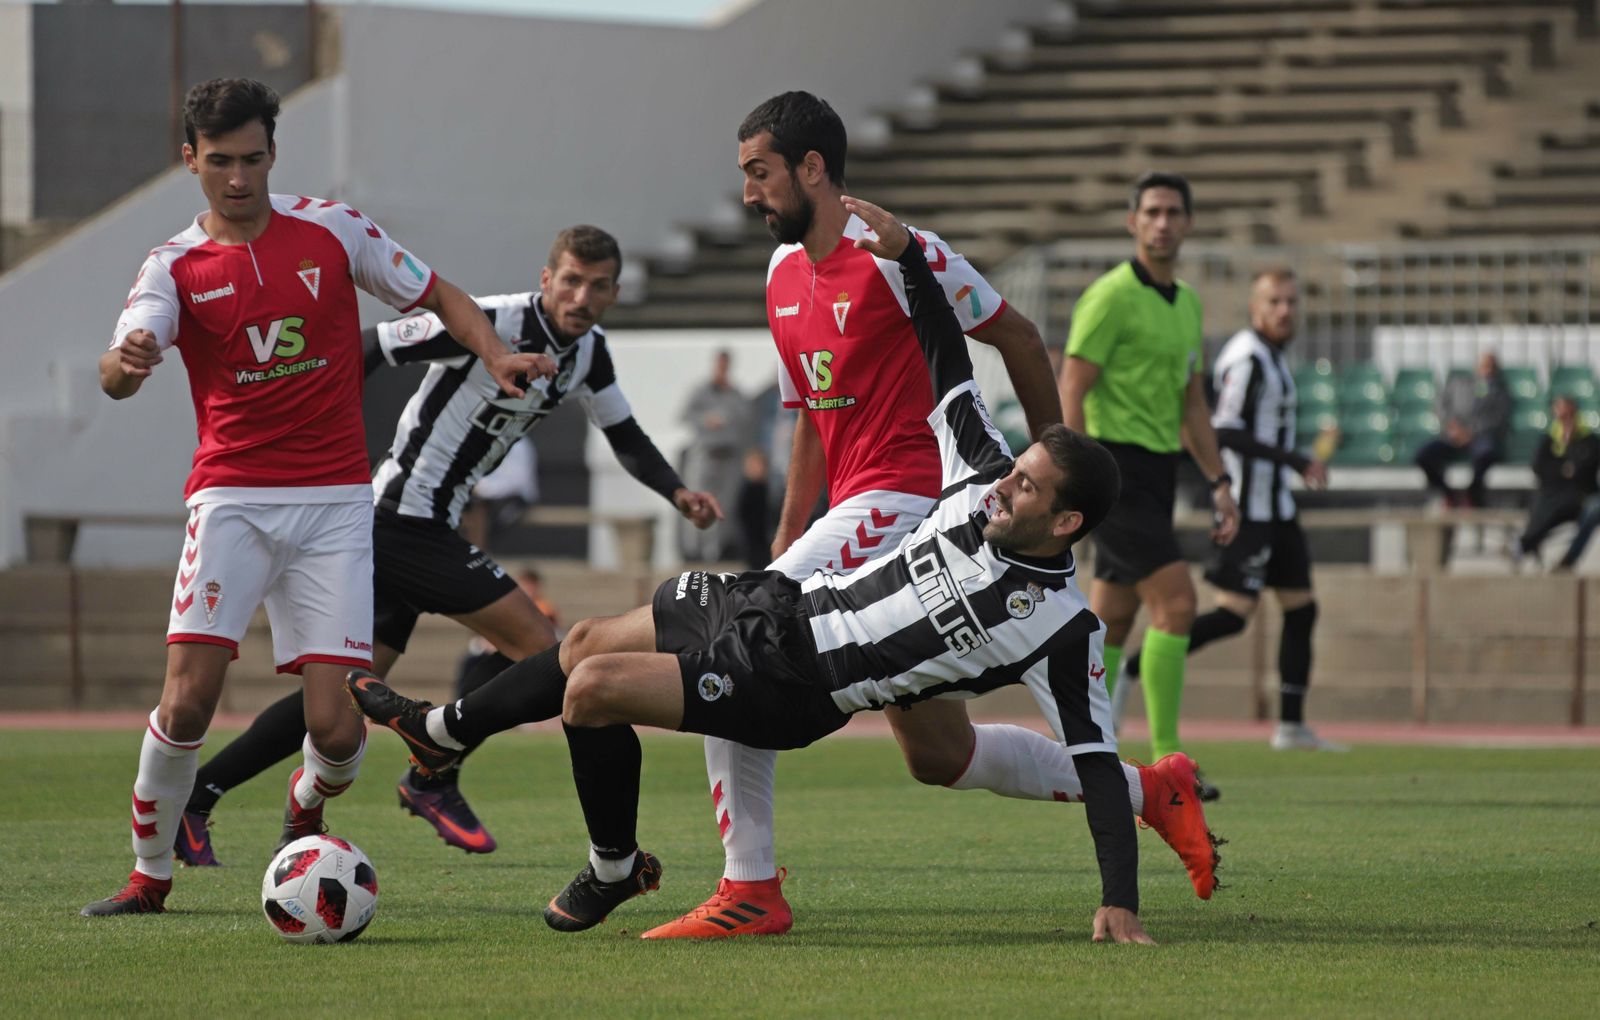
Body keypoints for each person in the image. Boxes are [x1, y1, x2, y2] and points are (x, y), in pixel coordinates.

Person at [346, 198, 1223, 943]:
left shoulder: (1061, 624)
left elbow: (1095, 758)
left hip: (800, 668)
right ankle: (446, 732)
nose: (1006, 486)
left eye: (1028, 484)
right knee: (589, 644)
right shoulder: (974, 474)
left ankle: (722, 882)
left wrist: (1118, 900)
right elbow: (945, 357)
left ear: (1064, 521)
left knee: (593, 687)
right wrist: (910, 252)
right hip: (777, 607)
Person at [80, 79, 556, 916]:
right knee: (188, 698)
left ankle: (305, 804)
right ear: (190, 159)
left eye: (253, 159)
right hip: (231, 499)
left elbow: (441, 294)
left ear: (274, 152)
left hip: (337, 504)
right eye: (219, 161)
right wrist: (128, 362)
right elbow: (117, 367)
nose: (238, 178)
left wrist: (494, 356)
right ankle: (147, 877)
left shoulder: (332, 231)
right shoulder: (174, 266)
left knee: (338, 733)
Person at [665, 90, 1093, 938]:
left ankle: (750, 885)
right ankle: (1154, 790)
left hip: (914, 499)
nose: (748, 195)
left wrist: (1055, 482)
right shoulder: (781, 274)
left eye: (759, 174)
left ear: (812, 168)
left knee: (734, 647)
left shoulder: (904, 257)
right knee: (941, 756)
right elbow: (809, 416)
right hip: (853, 510)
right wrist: (792, 529)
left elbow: (1020, 339)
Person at [169, 226, 721, 865]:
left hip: (425, 527)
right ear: (547, 280)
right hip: (401, 519)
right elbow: (370, 345)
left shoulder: (589, 353)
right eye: (570, 280)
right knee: (548, 653)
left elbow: (622, 434)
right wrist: (314, 425)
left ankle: (199, 794)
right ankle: (434, 771)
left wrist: (678, 492)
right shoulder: (489, 322)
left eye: (598, 286)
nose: (582, 296)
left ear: (615, 293)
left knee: (339, 700)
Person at [1056, 171, 1240, 795]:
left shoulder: (1186, 302)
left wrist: (1218, 479)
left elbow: (1193, 406)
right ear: (1132, 221)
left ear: (1188, 224)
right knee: (1180, 604)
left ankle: (1083, 753)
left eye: (1173, 212)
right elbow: (1072, 388)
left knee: (1111, 617)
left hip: (1160, 471)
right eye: (1152, 211)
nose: (1163, 223)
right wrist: (1079, 476)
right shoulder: (1108, 297)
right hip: (1115, 470)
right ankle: (1169, 765)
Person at [1124, 269, 1345, 752]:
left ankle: (1290, 726)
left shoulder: (1275, 358)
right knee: (1233, 614)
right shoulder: (1247, 358)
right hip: (1250, 507)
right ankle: (1131, 669)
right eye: (1274, 302)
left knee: (1302, 609)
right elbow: (1224, 430)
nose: (1285, 310)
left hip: (1279, 509)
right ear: (1255, 308)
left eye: (1291, 301)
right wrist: (1297, 459)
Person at [1514, 393, 1600, 572]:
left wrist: (1563, 466)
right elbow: (1539, 468)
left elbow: (1583, 468)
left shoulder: (1589, 440)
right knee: (1544, 505)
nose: (1564, 420)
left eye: (1568, 415)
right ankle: (1527, 543)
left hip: (1581, 498)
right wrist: (1565, 469)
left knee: (1593, 508)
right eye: (1560, 415)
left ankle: (1564, 559)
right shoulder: (1548, 440)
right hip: (1554, 498)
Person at [679, 350, 752, 560]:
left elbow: (746, 420)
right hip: (705, 455)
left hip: (729, 456)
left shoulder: (736, 394)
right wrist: (706, 419)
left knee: (724, 504)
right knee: (697, 502)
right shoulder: (701, 392)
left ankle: (716, 551)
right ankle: (693, 550)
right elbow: (684, 415)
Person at [1415, 351, 1510, 508]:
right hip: (1452, 435)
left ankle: (1473, 494)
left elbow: (1498, 419)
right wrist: (1453, 426)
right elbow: (1440, 406)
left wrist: (1471, 433)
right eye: (1483, 365)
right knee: (1423, 455)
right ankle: (1446, 492)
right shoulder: (1458, 383)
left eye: (1490, 366)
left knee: (1486, 453)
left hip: (1479, 438)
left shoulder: (1500, 392)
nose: (1486, 370)